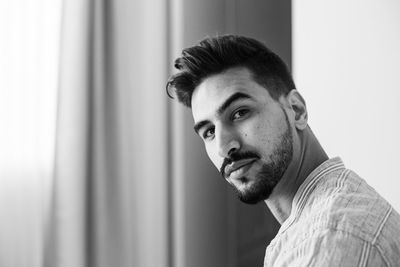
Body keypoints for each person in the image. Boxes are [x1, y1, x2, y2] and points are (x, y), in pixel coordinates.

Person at [166, 35, 400, 266]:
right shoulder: (313, 229)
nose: (223, 147)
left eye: (240, 113)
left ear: (296, 110)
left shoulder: (329, 239)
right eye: (209, 132)